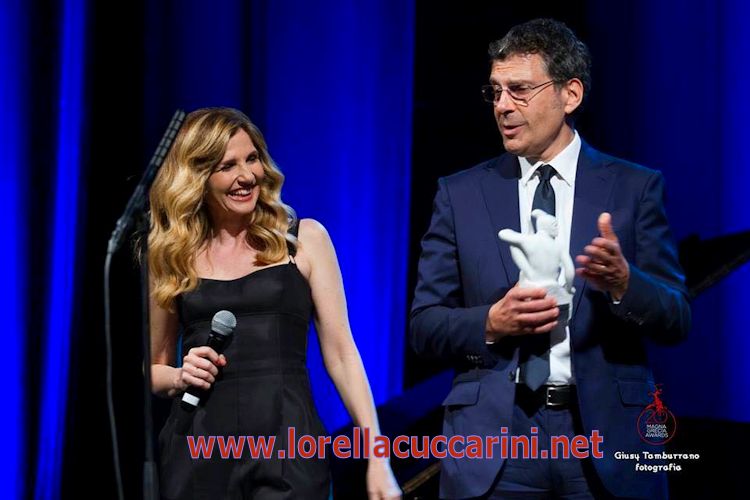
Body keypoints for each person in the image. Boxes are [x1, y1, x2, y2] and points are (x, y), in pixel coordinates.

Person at [410, 18, 690, 499]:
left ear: (570, 95)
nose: (502, 106)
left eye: (519, 90)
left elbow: (677, 318)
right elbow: (424, 326)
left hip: (604, 440)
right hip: (496, 445)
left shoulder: (634, 188)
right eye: (495, 91)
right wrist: (491, 322)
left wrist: (624, 284)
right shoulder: (460, 194)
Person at [148, 107, 401, 499]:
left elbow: (342, 354)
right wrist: (180, 376)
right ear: (198, 177)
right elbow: (152, 369)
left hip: (288, 448)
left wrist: (377, 455)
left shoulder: (304, 240)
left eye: (252, 159)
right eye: (227, 166)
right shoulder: (172, 255)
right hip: (199, 450)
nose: (247, 176)